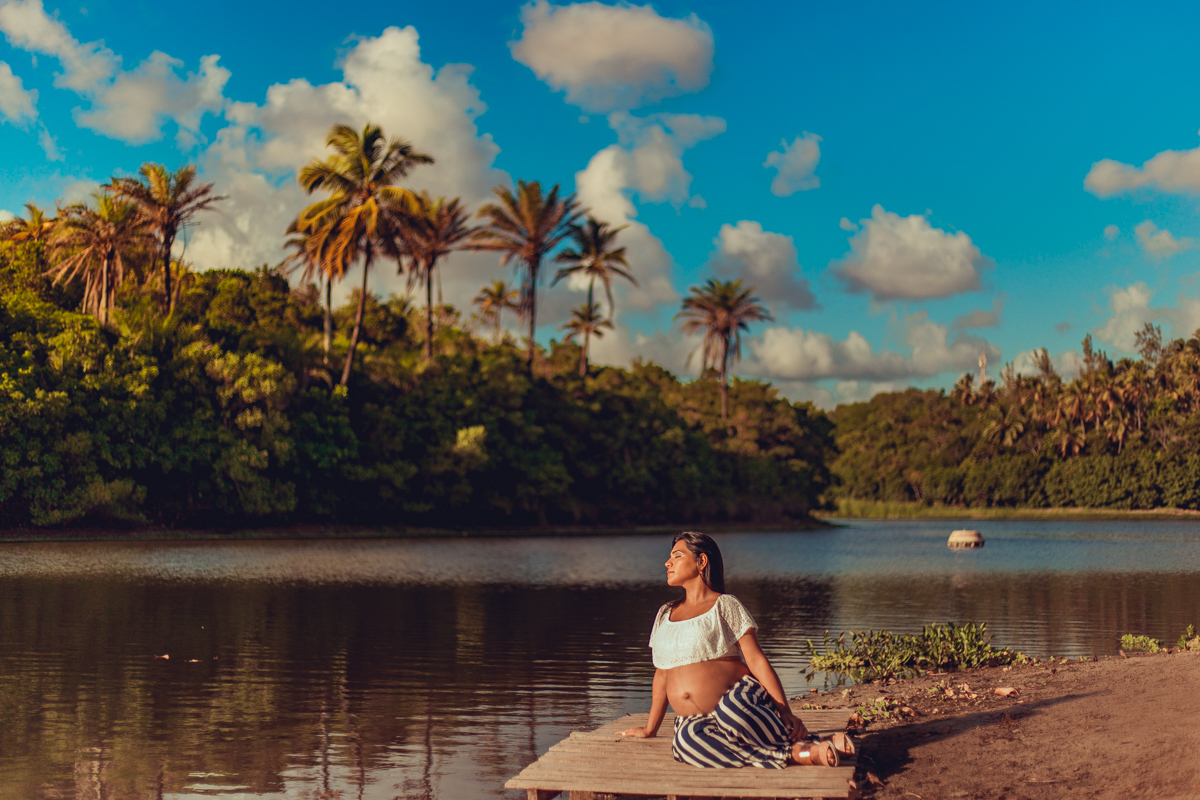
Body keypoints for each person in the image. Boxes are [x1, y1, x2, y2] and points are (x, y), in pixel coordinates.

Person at [618, 531, 848, 768]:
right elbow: (662, 674)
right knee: (684, 742)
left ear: (701, 561)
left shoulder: (725, 605)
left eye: (677, 556)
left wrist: (785, 711)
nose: (668, 562)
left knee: (732, 714)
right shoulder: (665, 613)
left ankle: (806, 745)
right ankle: (797, 751)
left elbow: (756, 660)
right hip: (695, 718)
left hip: (739, 700)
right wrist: (650, 728)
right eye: (669, 557)